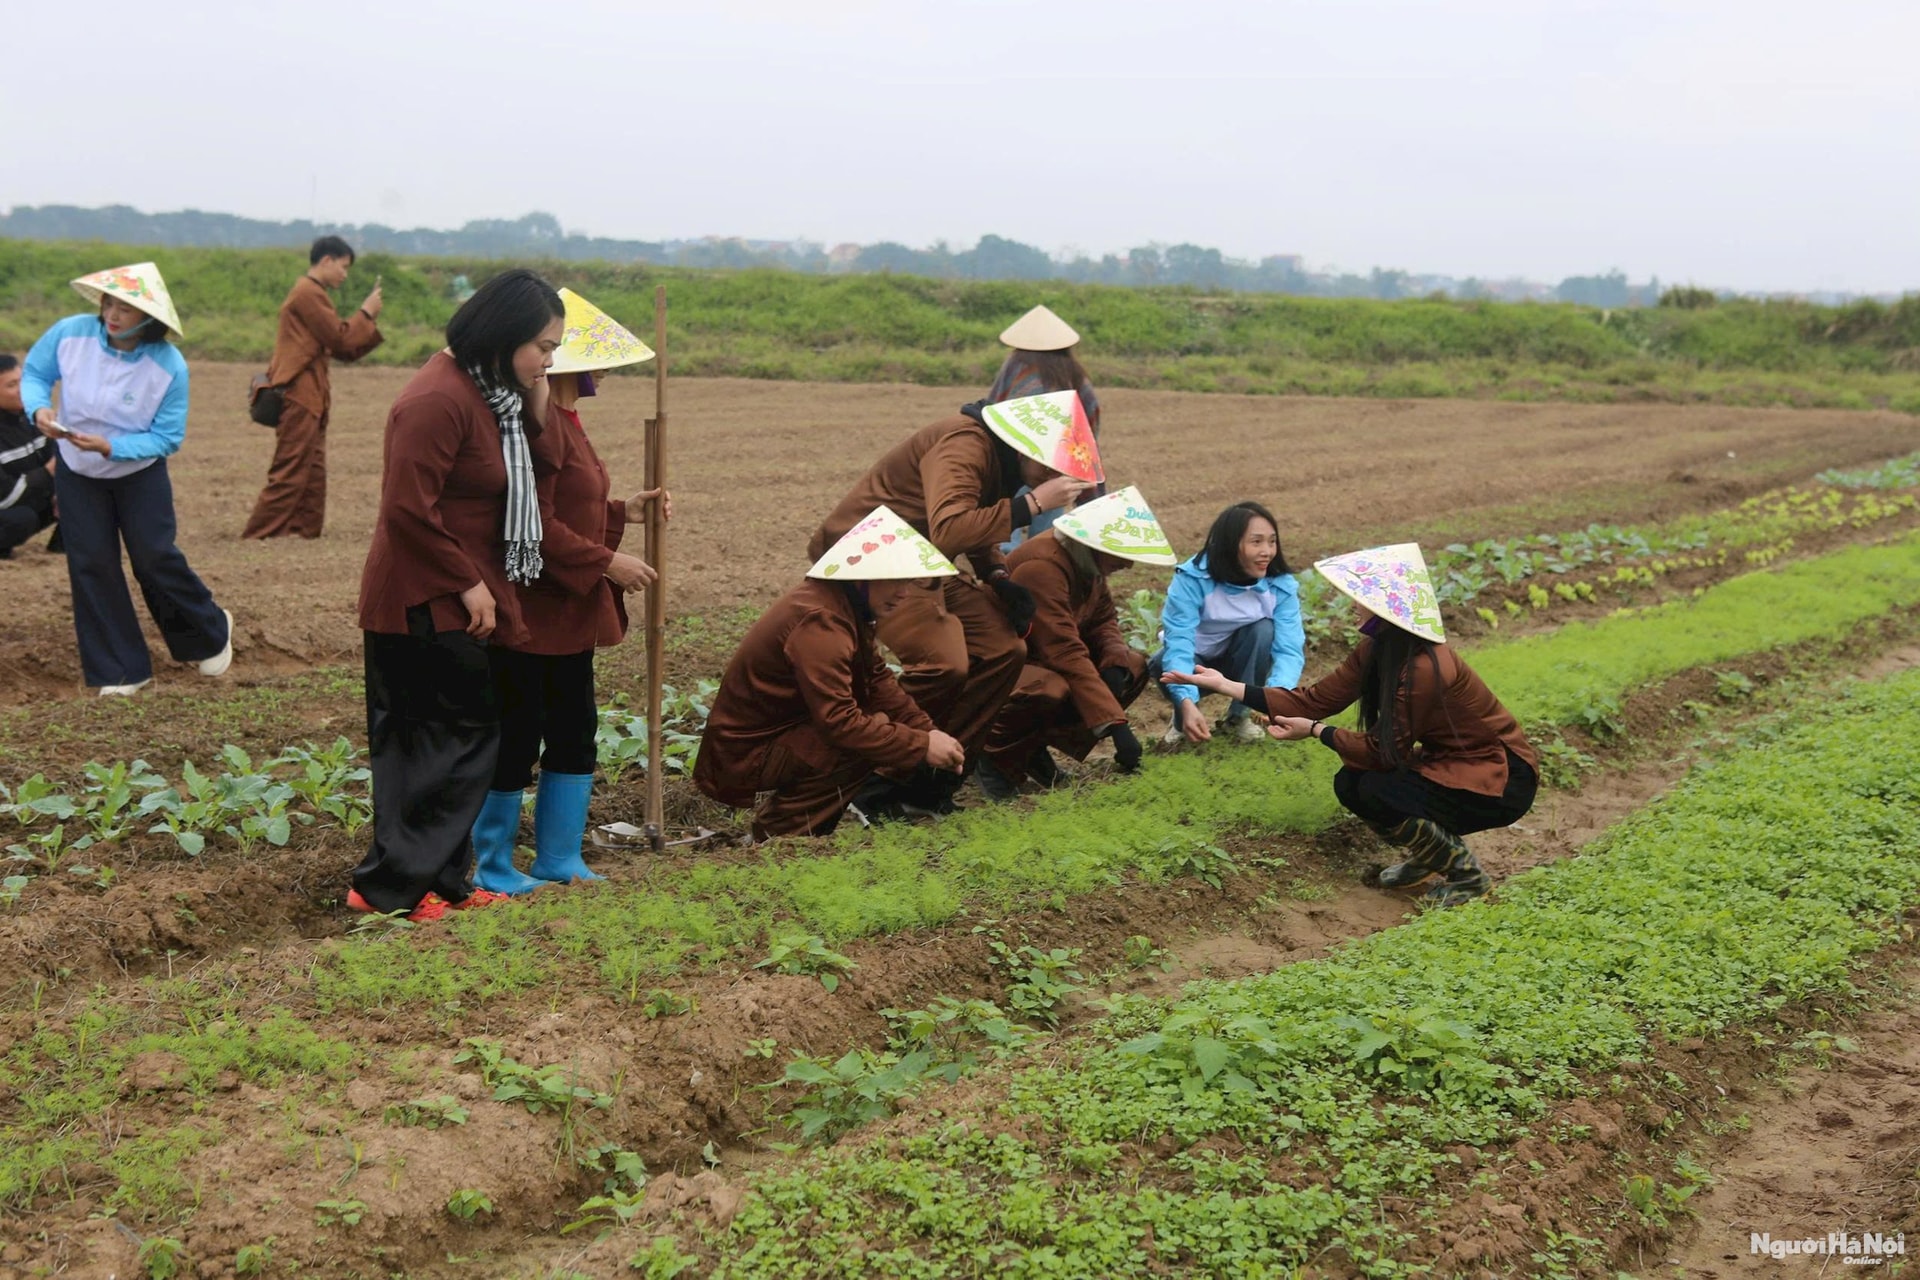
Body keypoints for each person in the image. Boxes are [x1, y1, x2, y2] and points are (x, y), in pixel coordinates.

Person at [350, 268, 565, 921]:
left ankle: (439, 882)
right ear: (503, 336)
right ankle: (390, 890)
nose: (549, 359)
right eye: (544, 347)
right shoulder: (435, 401)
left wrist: (541, 397)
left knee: (466, 744)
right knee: (431, 749)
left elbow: (537, 471)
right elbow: (406, 511)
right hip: (420, 602)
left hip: (457, 597)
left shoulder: (489, 396)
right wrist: (465, 580)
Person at [1163, 542, 1538, 907]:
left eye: (1360, 598)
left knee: (1372, 786)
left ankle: (1468, 878)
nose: (1351, 607)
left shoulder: (1425, 666)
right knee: (1354, 782)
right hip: (1459, 766)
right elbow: (1314, 701)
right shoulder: (1378, 649)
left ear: (1385, 608)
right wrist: (1227, 685)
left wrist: (1315, 730)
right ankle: (1434, 855)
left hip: (1501, 778)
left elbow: (1381, 752)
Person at [806, 389, 1101, 813]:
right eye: (1051, 467)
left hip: (921, 561)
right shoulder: (965, 443)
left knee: (1004, 649)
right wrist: (1033, 504)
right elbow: (950, 528)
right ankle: (870, 779)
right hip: (869, 561)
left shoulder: (1000, 459)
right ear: (1024, 445)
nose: (1052, 477)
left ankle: (932, 780)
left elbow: (972, 522)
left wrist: (998, 577)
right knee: (944, 664)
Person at [470, 289, 667, 893]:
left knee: (576, 731)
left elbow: (572, 508)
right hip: (533, 610)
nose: (604, 372)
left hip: (569, 614)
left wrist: (622, 511)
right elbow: (536, 524)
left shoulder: (568, 421)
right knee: (518, 734)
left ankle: (558, 858)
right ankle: (493, 864)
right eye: (597, 361)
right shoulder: (536, 427)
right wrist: (608, 562)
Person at [20, 263, 234, 695]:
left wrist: (111, 447)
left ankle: (211, 628)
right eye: (110, 303)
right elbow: (36, 375)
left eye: (127, 309)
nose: (113, 315)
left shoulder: (170, 366)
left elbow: (167, 438)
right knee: (92, 564)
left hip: (138, 475)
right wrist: (39, 409)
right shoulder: (69, 333)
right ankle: (122, 672)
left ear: (149, 319)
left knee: (153, 556)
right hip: (78, 473)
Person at [695, 506, 965, 840]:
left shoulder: (843, 607)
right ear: (863, 576)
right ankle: (782, 839)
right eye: (896, 580)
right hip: (743, 754)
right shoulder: (822, 621)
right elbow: (839, 722)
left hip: (777, 737)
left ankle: (803, 834)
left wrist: (927, 731)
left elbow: (878, 680)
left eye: (909, 581)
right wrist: (920, 744)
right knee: (862, 738)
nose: (904, 592)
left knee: (876, 728)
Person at [978, 485, 1174, 798]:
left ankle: (1030, 750)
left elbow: (1102, 618)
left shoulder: (1087, 562)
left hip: (1041, 659)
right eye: (1123, 555)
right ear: (1097, 544)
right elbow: (1063, 650)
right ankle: (993, 758)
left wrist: (1113, 662)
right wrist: (1116, 725)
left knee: (1130, 666)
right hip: (1000, 670)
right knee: (1048, 688)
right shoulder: (1043, 567)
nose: (1129, 565)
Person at [241, 235, 384, 539]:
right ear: (326, 261)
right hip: (300, 391)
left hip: (313, 392)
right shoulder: (308, 293)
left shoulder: (312, 293)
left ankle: (303, 530)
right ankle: (260, 533)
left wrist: (365, 321)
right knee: (291, 465)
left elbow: (343, 348)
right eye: (343, 267)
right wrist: (366, 313)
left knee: (313, 466)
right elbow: (340, 338)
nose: (345, 274)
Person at [1151, 500, 1305, 746]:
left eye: (1272, 541)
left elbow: (1289, 648)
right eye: (1256, 542)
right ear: (1230, 545)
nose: (1267, 551)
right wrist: (1186, 701)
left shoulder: (1279, 584)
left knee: (1263, 630)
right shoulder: (1192, 578)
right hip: (1195, 664)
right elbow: (1179, 643)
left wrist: (1276, 699)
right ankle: (1183, 720)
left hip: (1239, 665)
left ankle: (1240, 717)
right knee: (1162, 660)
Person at [990, 304, 1103, 548]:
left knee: (1008, 526)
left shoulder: (1014, 367)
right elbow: (1089, 419)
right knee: (1046, 534)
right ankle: (1035, 570)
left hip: (1013, 464)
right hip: (1056, 466)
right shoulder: (1072, 373)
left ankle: (1004, 576)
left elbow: (994, 409)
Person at [0, 354, 58, 557]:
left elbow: (54, 456)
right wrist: (48, 472)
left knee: (76, 496)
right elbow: (5, 497)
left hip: (24, 500)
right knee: (21, 519)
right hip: (8, 506)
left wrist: (60, 490)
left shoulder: (32, 417)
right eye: (12, 385)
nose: (22, 389)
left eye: (22, 380)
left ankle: (62, 549)